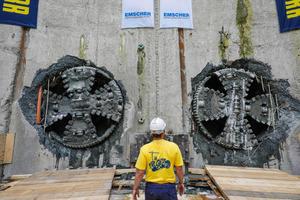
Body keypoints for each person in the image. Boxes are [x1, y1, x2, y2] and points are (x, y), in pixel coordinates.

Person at [132, 117, 185, 200]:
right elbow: (179, 169)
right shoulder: (174, 147)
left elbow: (140, 172)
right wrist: (181, 183)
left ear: (152, 133)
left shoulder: (145, 149)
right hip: (169, 188)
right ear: (163, 132)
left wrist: (135, 188)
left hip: (151, 189)